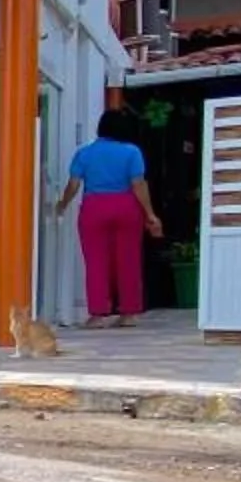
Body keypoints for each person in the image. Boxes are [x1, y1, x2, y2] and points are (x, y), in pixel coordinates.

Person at [56, 106, 161, 326]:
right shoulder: (132, 152)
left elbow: (73, 185)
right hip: (126, 206)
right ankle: (129, 313)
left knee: (96, 261)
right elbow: (138, 184)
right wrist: (150, 214)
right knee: (129, 259)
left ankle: (97, 314)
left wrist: (62, 204)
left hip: (94, 207)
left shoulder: (84, 153)